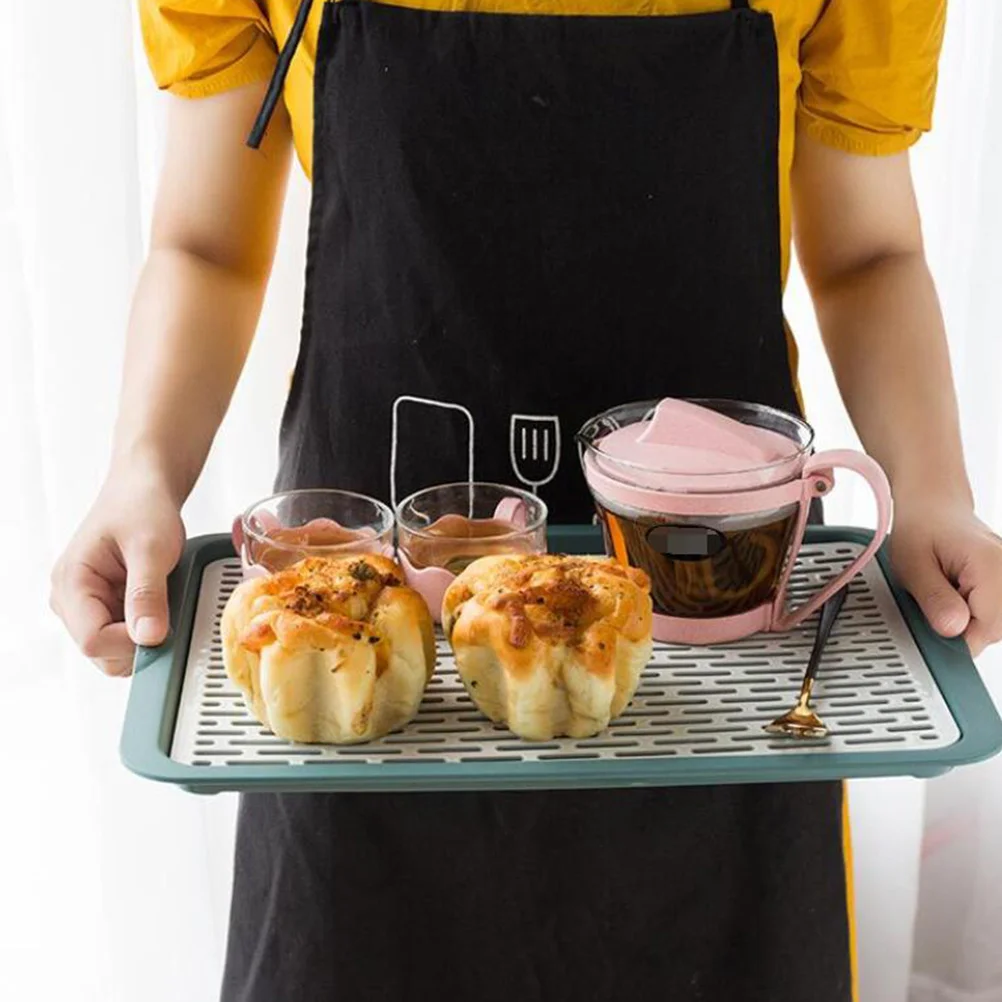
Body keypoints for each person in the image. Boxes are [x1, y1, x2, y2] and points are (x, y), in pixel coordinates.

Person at [50, 0, 1002, 999]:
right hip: (365, 664)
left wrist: (932, 490)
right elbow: (204, 242)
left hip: (707, 651)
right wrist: (142, 470)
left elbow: (867, 254)